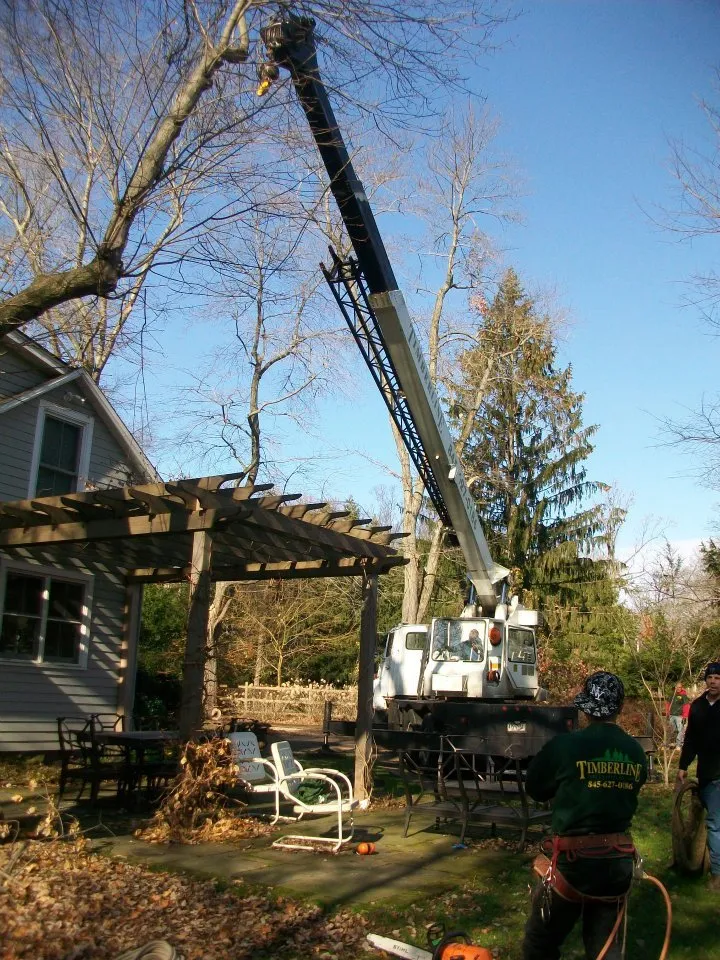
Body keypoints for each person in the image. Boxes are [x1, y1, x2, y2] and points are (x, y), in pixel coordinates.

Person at [522, 672, 648, 960]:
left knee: (539, 944)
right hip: (616, 863)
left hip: (573, 865)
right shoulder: (636, 752)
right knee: (605, 948)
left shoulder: (564, 746)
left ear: (586, 709)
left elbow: (535, 788)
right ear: (620, 707)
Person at [676, 661, 720, 892]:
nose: (713, 682)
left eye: (718, 678)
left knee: (715, 824)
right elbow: (691, 738)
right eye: (710, 678)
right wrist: (683, 765)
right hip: (706, 773)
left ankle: (717, 875)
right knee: (712, 822)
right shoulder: (698, 706)